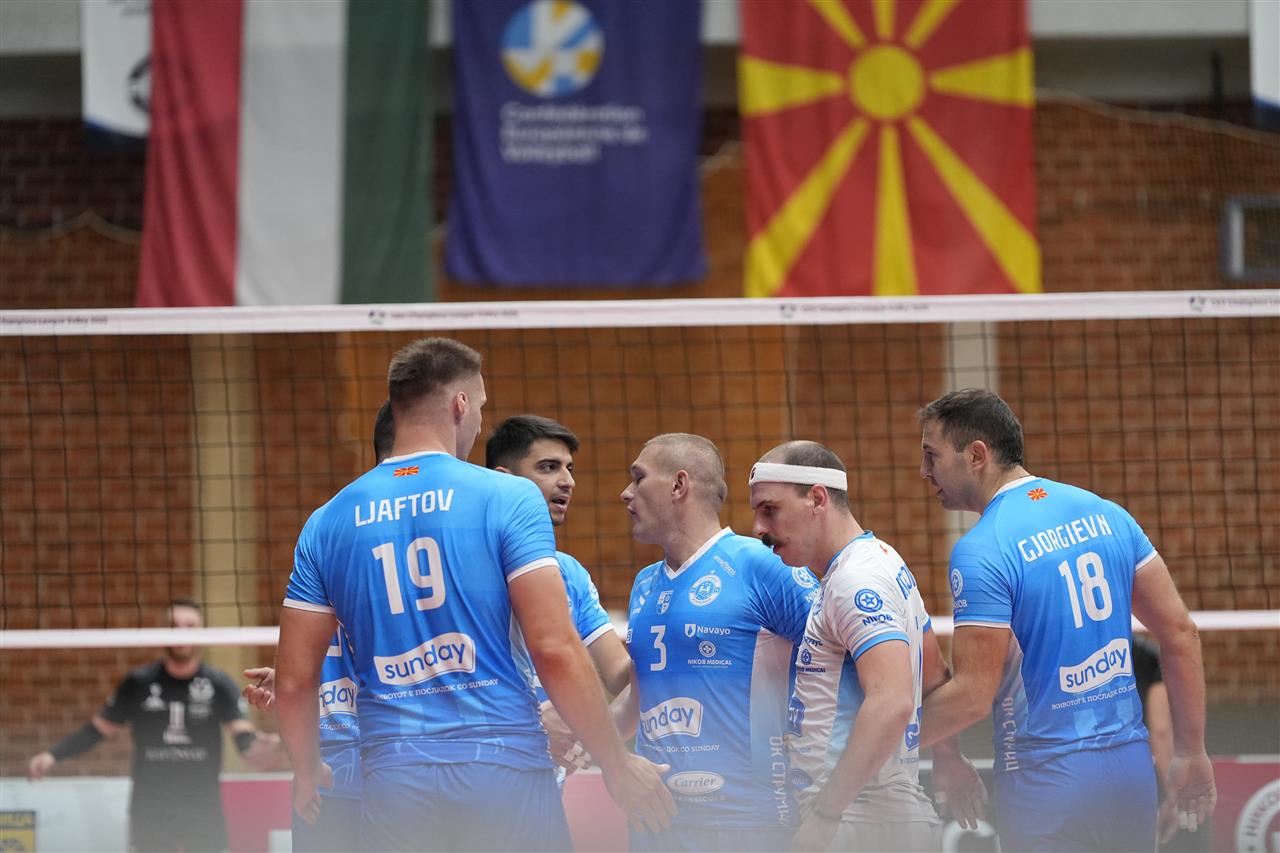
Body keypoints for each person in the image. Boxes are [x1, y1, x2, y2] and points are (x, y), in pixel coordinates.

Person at [274, 337, 673, 851]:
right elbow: (553, 648)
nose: (480, 423)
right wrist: (616, 766)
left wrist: (307, 768)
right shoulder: (508, 497)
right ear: (460, 404)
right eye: (481, 407)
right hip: (503, 768)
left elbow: (293, 680)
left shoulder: (327, 521)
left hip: (395, 777)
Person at [915, 388, 1216, 851]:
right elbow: (1180, 632)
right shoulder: (1108, 514)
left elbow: (973, 697)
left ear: (976, 455)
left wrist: (872, 744)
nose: (924, 471)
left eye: (931, 455)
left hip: (1045, 781)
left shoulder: (982, 549)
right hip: (1130, 771)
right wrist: (1191, 751)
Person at [748, 440, 988, 852]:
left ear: (817, 499)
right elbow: (933, 676)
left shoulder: (855, 580)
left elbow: (892, 701)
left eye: (770, 509)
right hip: (875, 817)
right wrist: (948, 756)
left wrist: (826, 815)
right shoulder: (880, 560)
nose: (758, 528)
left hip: (861, 821)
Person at [619, 433, 816, 852]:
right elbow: (640, 693)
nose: (626, 493)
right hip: (655, 826)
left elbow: (841, 663)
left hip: (748, 824)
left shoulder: (761, 565)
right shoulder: (645, 583)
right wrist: (584, 741)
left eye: (638, 478)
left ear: (679, 485)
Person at [241, 401, 395, 852]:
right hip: (388, 774)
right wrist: (303, 689)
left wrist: (302, 690)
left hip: (343, 776)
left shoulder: (325, 526)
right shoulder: (427, 530)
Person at [28, 598, 283, 852]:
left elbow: (242, 736)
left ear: (202, 631)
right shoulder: (138, 682)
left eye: (190, 626)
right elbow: (96, 730)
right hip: (150, 808)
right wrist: (52, 755)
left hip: (202, 808)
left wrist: (271, 746)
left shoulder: (218, 683)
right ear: (161, 630)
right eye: (174, 626)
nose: (181, 632)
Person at [485, 414, 633, 771]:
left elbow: (620, 674)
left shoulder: (568, 572)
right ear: (505, 481)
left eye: (569, 468)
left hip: (549, 785)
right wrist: (532, 724)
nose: (568, 481)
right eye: (549, 467)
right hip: (481, 777)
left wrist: (675, 641)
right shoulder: (467, 569)